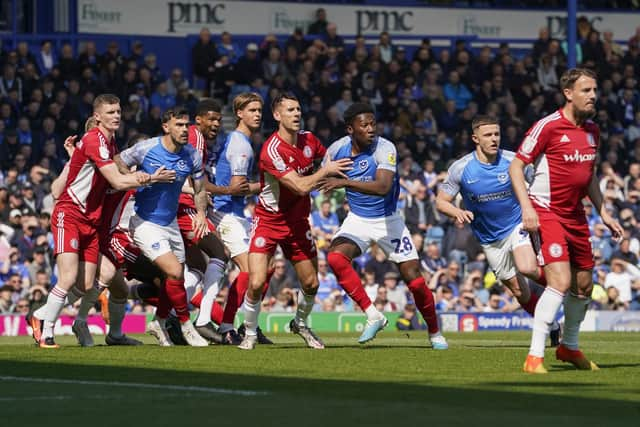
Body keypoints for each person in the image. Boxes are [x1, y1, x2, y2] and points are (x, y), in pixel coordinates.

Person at [28, 94, 174, 348]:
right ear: (97, 117)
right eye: (111, 112)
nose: (117, 115)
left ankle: (48, 316)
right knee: (69, 277)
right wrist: (150, 178)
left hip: (92, 223)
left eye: (118, 111)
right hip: (71, 214)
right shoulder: (95, 141)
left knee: (86, 284)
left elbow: (120, 175)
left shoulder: (110, 144)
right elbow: (116, 181)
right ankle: (47, 331)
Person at [510, 68, 624, 374]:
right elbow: (517, 167)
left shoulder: (592, 131)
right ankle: (534, 357)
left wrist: (604, 211)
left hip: (576, 215)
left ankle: (569, 347)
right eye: (586, 90)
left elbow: (589, 176)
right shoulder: (547, 126)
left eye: (594, 90)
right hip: (546, 211)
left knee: (584, 285)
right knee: (560, 280)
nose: (593, 96)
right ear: (568, 93)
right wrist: (527, 208)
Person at [321, 103, 447, 349]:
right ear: (350, 129)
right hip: (357, 219)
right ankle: (373, 315)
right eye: (364, 125)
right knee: (335, 259)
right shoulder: (337, 149)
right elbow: (324, 174)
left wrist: (344, 182)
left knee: (415, 280)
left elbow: (382, 188)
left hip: (389, 221)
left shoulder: (385, 147)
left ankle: (434, 333)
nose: (370, 129)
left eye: (373, 124)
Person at [238, 92, 351, 350]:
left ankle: (300, 323)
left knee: (311, 283)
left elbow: (326, 159)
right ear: (277, 115)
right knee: (256, 281)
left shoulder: (309, 139)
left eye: (298, 109)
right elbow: (300, 186)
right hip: (269, 220)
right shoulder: (271, 150)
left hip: (298, 222)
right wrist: (324, 172)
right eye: (290, 110)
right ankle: (250, 332)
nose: (297, 113)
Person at [436, 115, 560, 345]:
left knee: (527, 267)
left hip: (516, 225)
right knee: (518, 291)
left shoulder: (514, 161)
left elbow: (537, 186)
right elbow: (441, 201)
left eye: (496, 134)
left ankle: (562, 288)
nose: (494, 139)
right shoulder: (460, 168)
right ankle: (552, 325)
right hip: (489, 239)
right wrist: (457, 212)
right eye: (488, 135)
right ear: (475, 138)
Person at [116, 107, 211, 347]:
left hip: (170, 224)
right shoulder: (146, 148)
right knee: (175, 272)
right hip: (145, 223)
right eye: (178, 125)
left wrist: (201, 213)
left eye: (186, 125)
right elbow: (117, 161)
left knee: (173, 278)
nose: (184, 130)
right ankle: (186, 326)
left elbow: (199, 188)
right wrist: (136, 179)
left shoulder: (191, 154)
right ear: (166, 127)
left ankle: (158, 323)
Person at [209, 92, 272, 345]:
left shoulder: (238, 141)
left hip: (234, 212)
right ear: (239, 114)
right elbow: (238, 187)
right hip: (226, 213)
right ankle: (227, 327)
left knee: (265, 269)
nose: (257, 114)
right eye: (252, 110)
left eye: (259, 110)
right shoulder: (240, 145)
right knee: (252, 270)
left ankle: (245, 325)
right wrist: (272, 183)